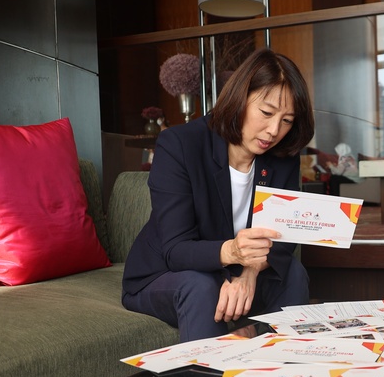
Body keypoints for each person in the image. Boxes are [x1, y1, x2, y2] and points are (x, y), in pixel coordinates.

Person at [123, 49, 315, 342]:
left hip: (237, 267)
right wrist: (232, 256)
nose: (274, 130)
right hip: (165, 273)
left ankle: (279, 375)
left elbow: (282, 236)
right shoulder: (180, 145)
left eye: (287, 120)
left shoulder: (282, 155)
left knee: (293, 274)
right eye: (266, 113)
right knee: (202, 286)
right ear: (240, 98)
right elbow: (176, 249)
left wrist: (249, 273)